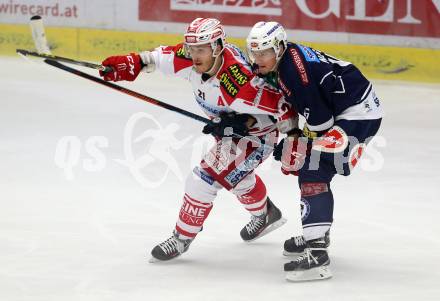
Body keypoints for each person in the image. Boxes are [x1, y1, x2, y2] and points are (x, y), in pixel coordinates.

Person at [99, 18, 297, 262]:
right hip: (229, 132)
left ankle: (182, 238)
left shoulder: (240, 83)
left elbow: (284, 109)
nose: (194, 56)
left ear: (216, 47)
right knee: (237, 178)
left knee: (201, 180)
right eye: (191, 49)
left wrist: (245, 123)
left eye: (200, 50)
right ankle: (267, 214)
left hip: (255, 138)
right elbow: (157, 58)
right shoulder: (192, 56)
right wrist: (134, 63)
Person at [246, 21, 384, 281]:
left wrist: (297, 145)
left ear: (278, 48)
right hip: (348, 107)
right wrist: (293, 138)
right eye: (254, 53)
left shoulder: (295, 74)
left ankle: (318, 252)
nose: (257, 59)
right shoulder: (283, 62)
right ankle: (317, 231)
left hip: (357, 113)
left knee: (313, 169)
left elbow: (321, 125)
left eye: (263, 53)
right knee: (313, 166)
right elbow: (293, 107)